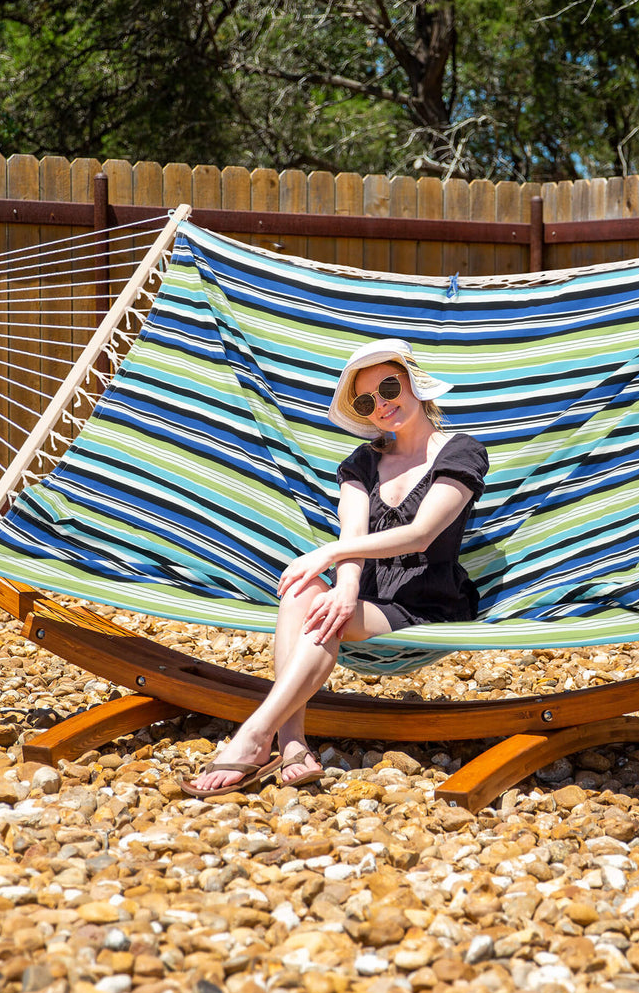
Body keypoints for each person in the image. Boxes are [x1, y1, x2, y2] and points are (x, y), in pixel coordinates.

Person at [182, 338, 489, 796]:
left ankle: (255, 734)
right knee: (303, 593)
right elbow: (353, 533)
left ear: (413, 383)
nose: (381, 404)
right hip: (367, 592)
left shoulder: (460, 452)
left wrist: (327, 555)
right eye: (366, 401)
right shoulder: (362, 463)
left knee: (322, 605)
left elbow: (422, 533)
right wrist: (345, 587)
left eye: (389, 387)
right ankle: (292, 743)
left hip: (427, 600)